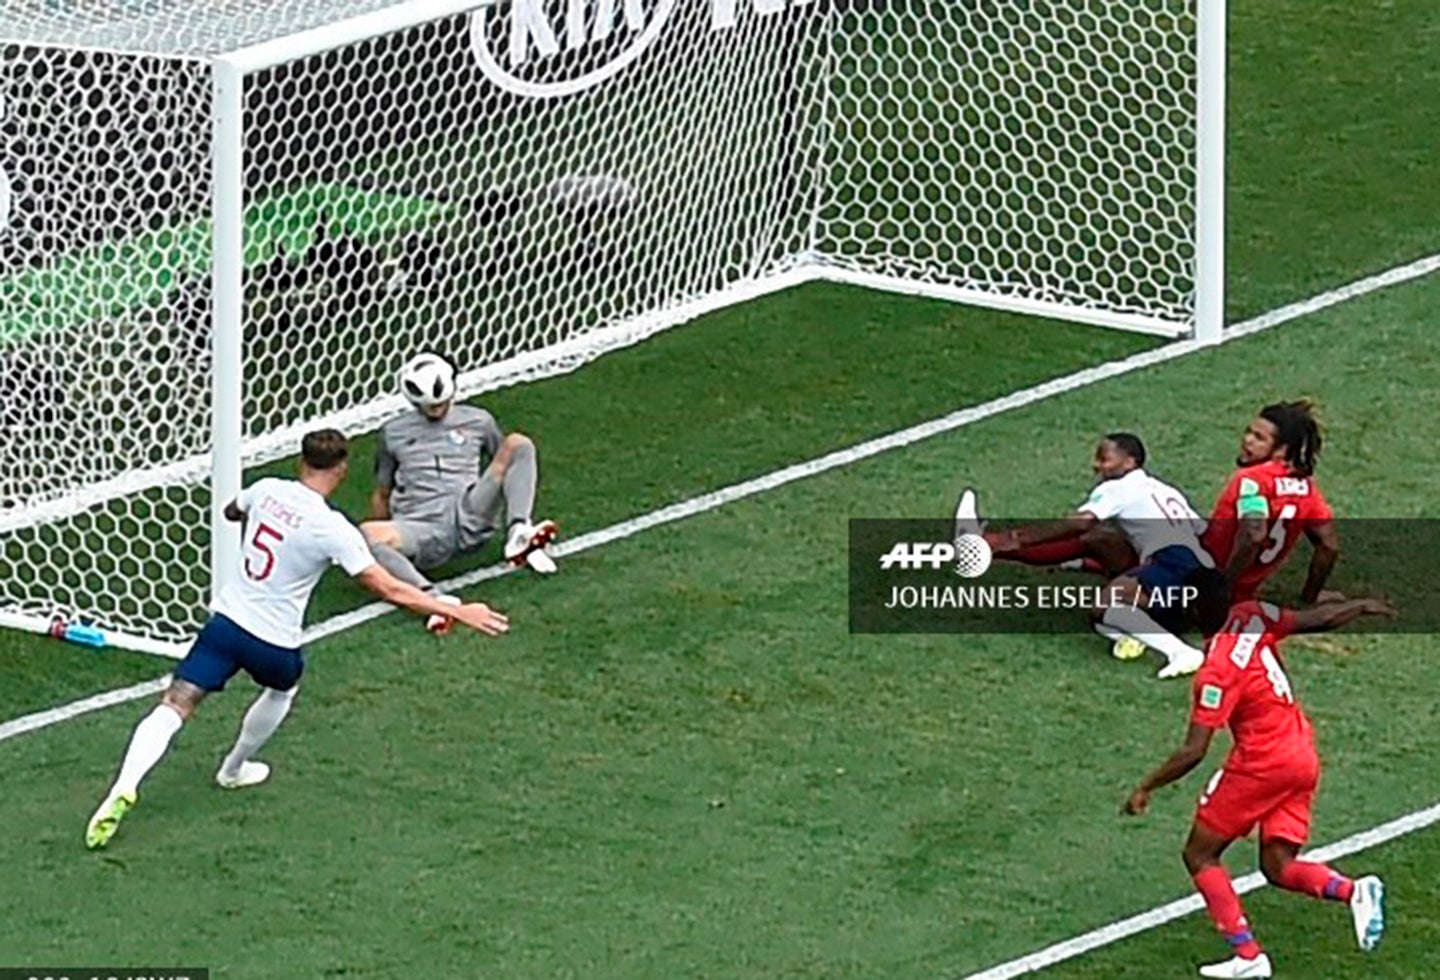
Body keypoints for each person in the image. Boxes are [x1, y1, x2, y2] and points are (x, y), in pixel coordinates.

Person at [84, 429, 509, 850]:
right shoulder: (333, 529)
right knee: (282, 689)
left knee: (175, 704)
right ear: (341, 470)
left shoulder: (266, 489)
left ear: (300, 461)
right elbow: (390, 588)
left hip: (226, 624)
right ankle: (233, 768)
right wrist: (456, 610)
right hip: (273, 642)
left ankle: (125, 784)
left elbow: (232, 511)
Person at [1123, 589, 1395, 978]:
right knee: (1277, 866)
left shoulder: (1216, 672)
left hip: (1263, 764)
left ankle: (1248, 956)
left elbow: (1194, 750)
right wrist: (1360, 605)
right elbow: (1316, 619)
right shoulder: (1250, 615)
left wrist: (1146, 787)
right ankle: (1355, 891)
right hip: (1301, 756)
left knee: (1199, 854)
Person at [957, 433, 1216, 678]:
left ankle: (1180, 652)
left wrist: (1014, 538)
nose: (1096, 466)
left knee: (1104, 604)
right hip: (1201, 575)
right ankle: (982, 547)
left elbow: (1081, 522)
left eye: (1104, 459)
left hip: (1173, 564)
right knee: (1099, 539)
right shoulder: (1165, 490)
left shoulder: (1118, 488)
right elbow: (1202, 530)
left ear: (1130, 462)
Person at [360, 353, 558, 631]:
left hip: (470, 511)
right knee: (368, 534)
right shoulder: (392, 432)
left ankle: (519, 534)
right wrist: (387, 548)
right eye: (429, 406)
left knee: (517, 444)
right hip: (421, 524)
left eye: (440, 403)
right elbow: (383, 491)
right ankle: (433, 599)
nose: (435, 410)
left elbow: (505, 464)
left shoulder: (478, 421)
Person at [1202, 400, 1339, 605]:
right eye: (1249, 432)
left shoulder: (1253, 480)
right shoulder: (1307, 490)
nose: (1247, 440)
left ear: (1281, 449)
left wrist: (1224, 586)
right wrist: (1311, 595)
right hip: (1244, 596)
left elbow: (1253, 534)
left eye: (1259, 438)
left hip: (1202, 578)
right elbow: (1329, 545)